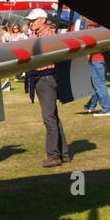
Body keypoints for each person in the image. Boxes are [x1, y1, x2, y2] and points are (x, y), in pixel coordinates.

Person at [25, 9, 71, 167]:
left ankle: (53, 155)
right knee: (53, 117)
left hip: (45, 77)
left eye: (34, 20)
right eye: (30, 20)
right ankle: (63, 153)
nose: (31, 23)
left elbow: (41, 59)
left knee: (49, 118)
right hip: (45, 77)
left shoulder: (46, 36)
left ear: (43, 20)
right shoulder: (41, 35)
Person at [80, 22, 110, 117]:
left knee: (99, 85)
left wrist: (85, 61)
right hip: (103, 59)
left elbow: (90, 46)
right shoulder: (102, 28)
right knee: (97, 85)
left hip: (95, 60)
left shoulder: (91, 28)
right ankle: (91, 105)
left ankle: (106, 109)